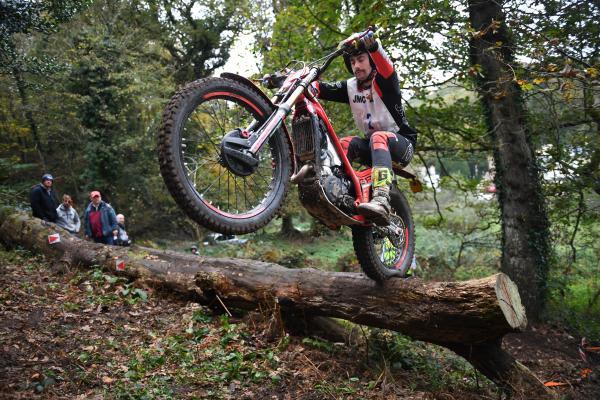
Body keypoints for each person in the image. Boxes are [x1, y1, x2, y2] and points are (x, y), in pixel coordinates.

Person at [313, 32, 417, 225]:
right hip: (373, 147)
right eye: (353, 62)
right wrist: (290, 81)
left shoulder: (385, 82)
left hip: (402, 144)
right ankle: (339, 196)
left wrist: (374, 47)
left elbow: (387, 67)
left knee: (379, 137)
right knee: (343, 144)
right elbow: (319, 88)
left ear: (371, 61)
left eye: (361, 59)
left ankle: (382, 199)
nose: (357, 66)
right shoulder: (351, 87)